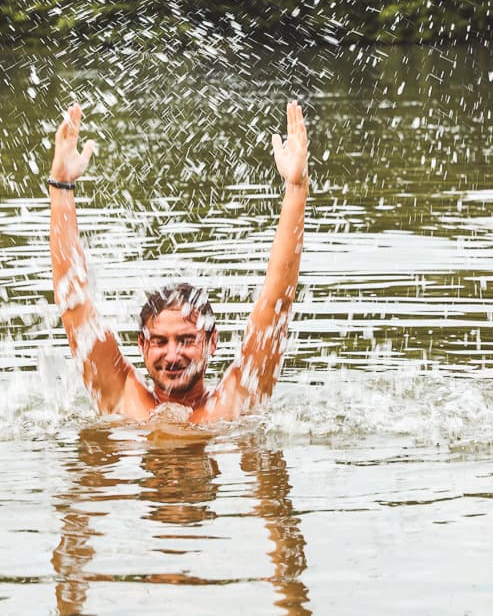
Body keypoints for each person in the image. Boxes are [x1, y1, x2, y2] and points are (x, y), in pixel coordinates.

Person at [48, 101, 309, 424]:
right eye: (160, 342)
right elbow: (73, 304)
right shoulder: (122, 398)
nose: (172, 356)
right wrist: (61, 187)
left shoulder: (234, 403)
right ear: (142, 345)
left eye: (186, 340)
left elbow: (276, 302)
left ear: (211, 342)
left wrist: (297, 188)